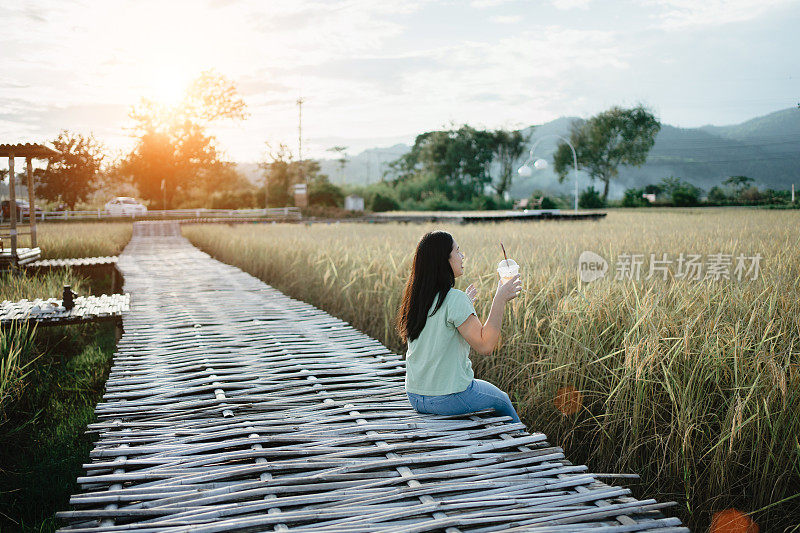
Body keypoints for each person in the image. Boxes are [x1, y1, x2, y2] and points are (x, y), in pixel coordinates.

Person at [396, 230, 523, 424]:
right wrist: (500, 299)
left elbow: (440, 321)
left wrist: (463, 305)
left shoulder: (417, 298)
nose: (462, 256)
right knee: (502, 400)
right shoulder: (454, 299)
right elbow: (486, 346)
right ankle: (522, 444)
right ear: (444, 260)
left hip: (415, 397)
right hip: (448, 398)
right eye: (458, 251)